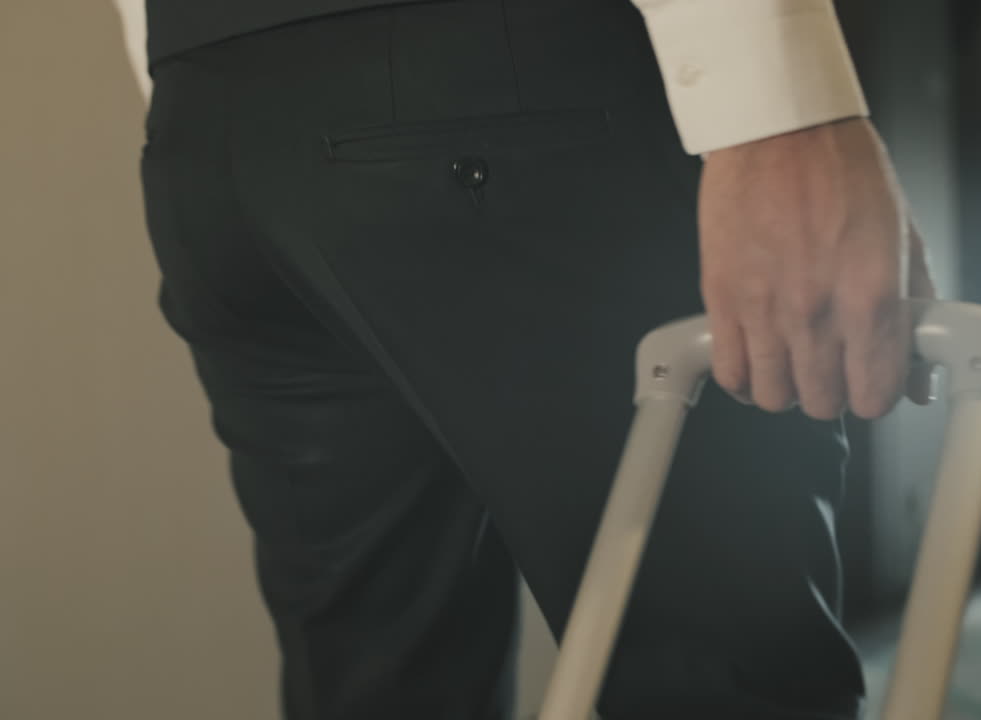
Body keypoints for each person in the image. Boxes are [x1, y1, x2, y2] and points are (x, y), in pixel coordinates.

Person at [133, 0, 938, 717]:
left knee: (374, 680)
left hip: (208, 125)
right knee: (721, 679)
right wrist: (778, 104)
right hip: (496, 78)